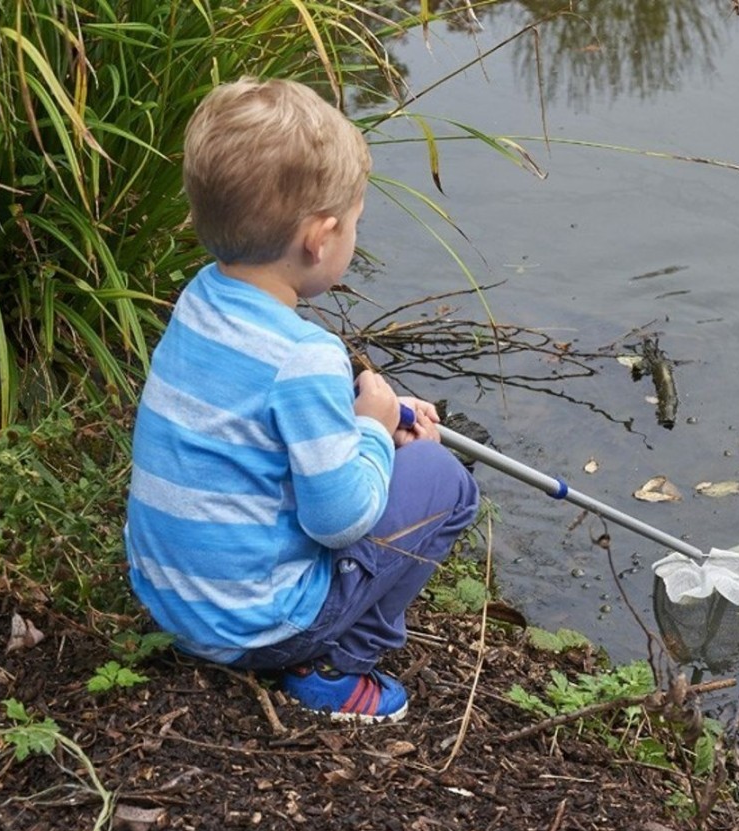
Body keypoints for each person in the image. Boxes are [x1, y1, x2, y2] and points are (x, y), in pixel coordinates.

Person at [125, 77, 479, 724]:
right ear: (319, 239)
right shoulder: (306, 355)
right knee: (445, 481)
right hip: (257, 627)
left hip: (172, 604)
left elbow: (260, 426)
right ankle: (332, 665)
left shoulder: (198, 301)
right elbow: (339, 522)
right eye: (355, 225)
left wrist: (364, 416)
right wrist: (373, 432)